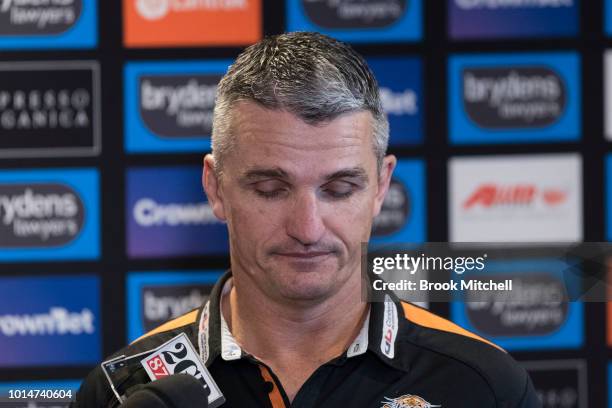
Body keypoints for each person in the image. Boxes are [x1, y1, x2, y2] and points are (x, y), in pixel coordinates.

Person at [73, 32, 540, 407]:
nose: (307, 227)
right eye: (271, 189)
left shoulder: (483, 384)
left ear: (381, 187)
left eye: (339, 189)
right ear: (216, 187)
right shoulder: (126, 394)